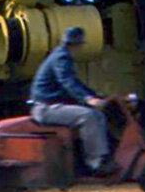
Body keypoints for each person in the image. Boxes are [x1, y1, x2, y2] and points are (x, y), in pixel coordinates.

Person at [29, 26, 120, 177]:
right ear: (78, 44)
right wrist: (88, 99)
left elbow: (75, 83)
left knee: (98, 115)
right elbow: (68, 82)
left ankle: (102, 156)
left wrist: (96, 95)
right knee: (88, 116)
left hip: (50, 106)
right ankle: (96, 163)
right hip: (46, 108)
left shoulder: (60, 55)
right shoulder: (62, 57)